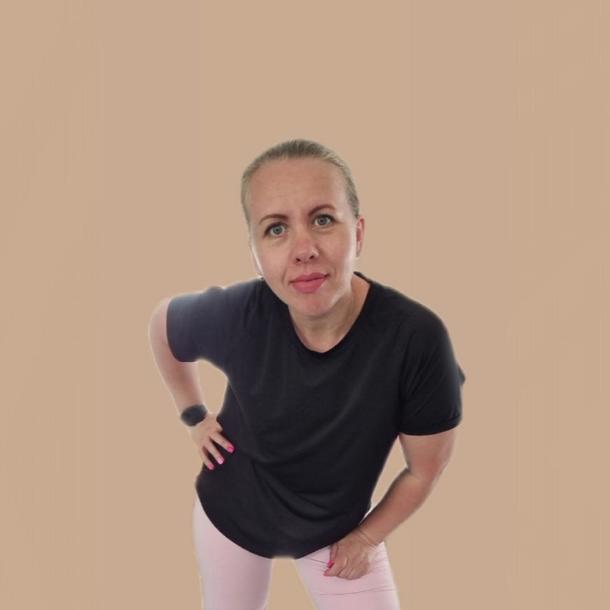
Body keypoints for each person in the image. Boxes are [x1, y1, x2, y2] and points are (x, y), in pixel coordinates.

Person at [148, 138, 466, 610]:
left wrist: (366, 537)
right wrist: (193, 415)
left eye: (322, 220)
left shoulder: (416, 339)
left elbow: (424, 469)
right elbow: (162, 324)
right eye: (276, 229)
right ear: (255, 253)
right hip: (231, 514)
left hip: (336, 531)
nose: (303, 249)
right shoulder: (236, 313)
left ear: (358, 233)